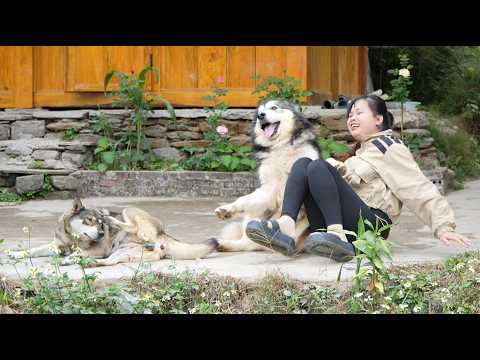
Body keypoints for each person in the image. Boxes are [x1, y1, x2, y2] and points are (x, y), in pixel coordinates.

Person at [245, 95, 471, 262]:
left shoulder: (388, 147)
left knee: (317, 166)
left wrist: (443, 226)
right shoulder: (359, 153)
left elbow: (418, 187)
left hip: (372, 228)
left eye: (359, 113)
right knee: (303, 164)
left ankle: (337, 235)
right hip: (347, 222)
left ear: (378, 119)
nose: (352, 118)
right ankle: (287, 228)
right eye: (350, 114)